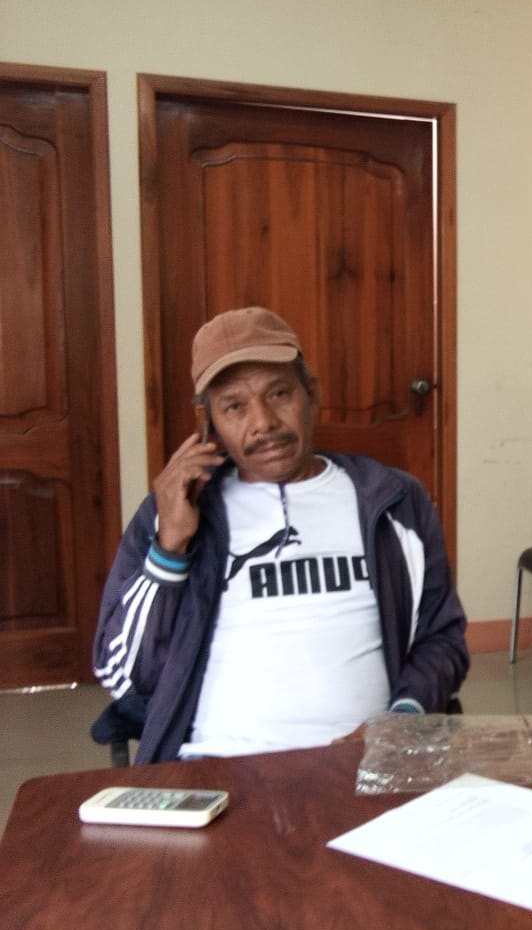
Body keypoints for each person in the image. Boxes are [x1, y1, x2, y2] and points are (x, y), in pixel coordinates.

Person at [93, 306, 468, 764]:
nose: (264, 422)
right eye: (234, 406)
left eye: (279, 393)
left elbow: (440, 639)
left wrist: (401, 720)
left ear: (313, 394)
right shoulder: (173, 511)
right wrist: (169, 549)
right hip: (216, 767)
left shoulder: (393, 501)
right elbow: (122, 675)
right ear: (209, 422)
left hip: (367, 766)